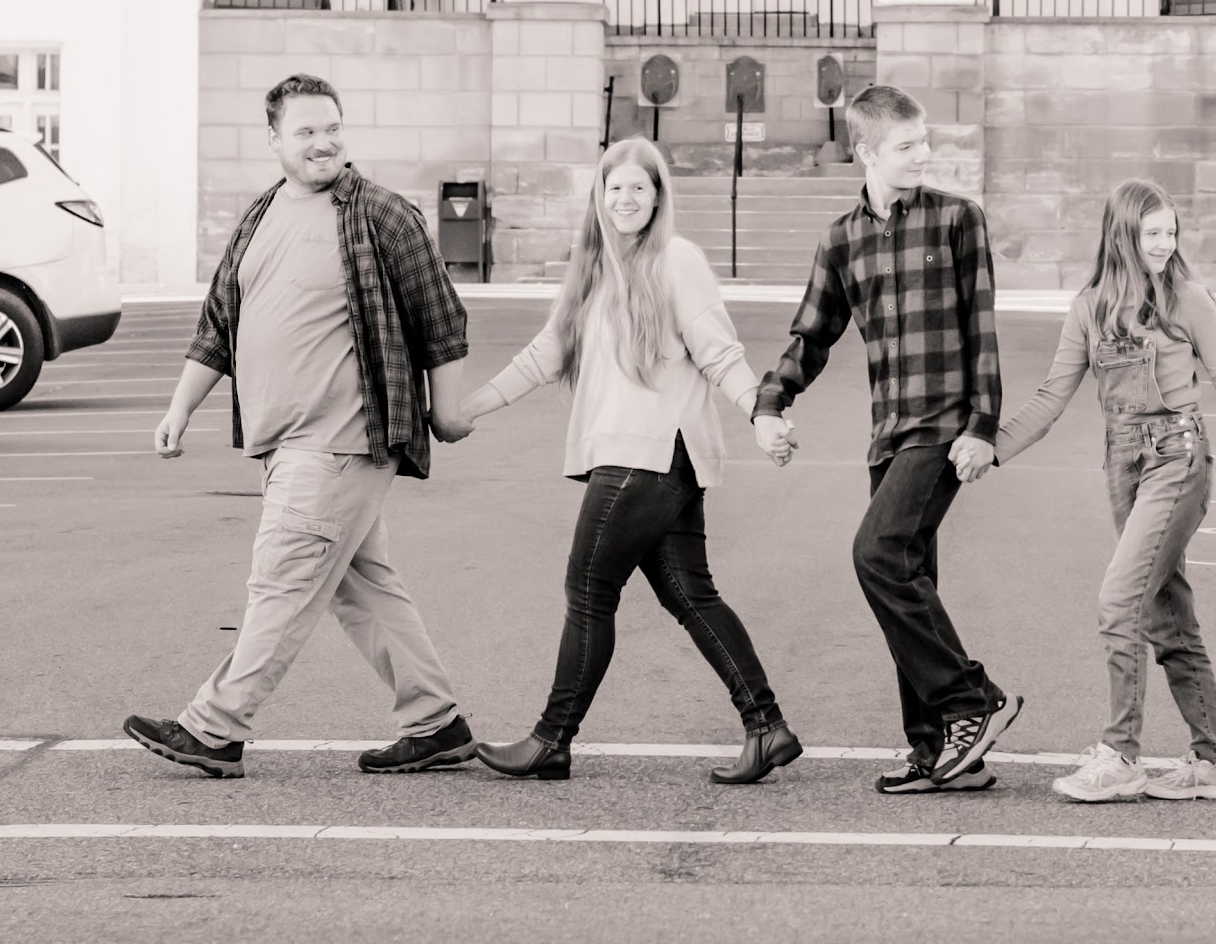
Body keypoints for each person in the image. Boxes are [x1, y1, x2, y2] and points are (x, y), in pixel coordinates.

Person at [126, 73, 476, 779]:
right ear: (275, 139)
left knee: (282, 581)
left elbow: (441, 317)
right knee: (361, 586)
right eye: (307, 130)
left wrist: (447, 411)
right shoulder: (259, 215)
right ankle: (436, 723)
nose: (323, 142)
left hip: (342, 439)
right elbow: (219, 322)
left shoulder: (381, 215)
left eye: (332, 128)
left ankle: (214, 726)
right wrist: (179, 407)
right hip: (285, 445)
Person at [453, 138, 798, 786]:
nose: (626, 198)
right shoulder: (594, 268)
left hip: (650, 455)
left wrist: (762, 413)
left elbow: (720, 351)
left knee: (589, 590)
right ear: (599, 196)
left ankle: (551, 739)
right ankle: (767, 725)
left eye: (640, 187)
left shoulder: (677, 259)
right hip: (645, 459)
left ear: (658, 196)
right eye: (615, 188)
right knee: (691, 595)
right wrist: (466, 410)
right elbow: (542, 355)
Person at [996, 180, 1216, 803]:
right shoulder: (1089, 306)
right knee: (1166, 616)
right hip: (1122, 462)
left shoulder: (1189, 298)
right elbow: (1052, 395)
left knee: (1120, 600)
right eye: (1152, 234)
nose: (1166, 244)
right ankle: (1215, 763)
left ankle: (1120, 754)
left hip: (1177, 457)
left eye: (1171, 232)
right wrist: (992, 449)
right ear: (1122, 235)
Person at [752, 84, 1022, 795]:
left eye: (923, 141)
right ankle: (938, 751)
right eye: (906, 145)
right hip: (889, 434)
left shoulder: (958, 220)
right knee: (909, 575)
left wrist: (983, 426)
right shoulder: (841, 239)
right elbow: (811, 336)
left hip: (944, 427)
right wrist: (770, 402)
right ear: (867, 152)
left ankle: (972, 699)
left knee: (875, 554)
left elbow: (982, 328)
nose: (922, 154)